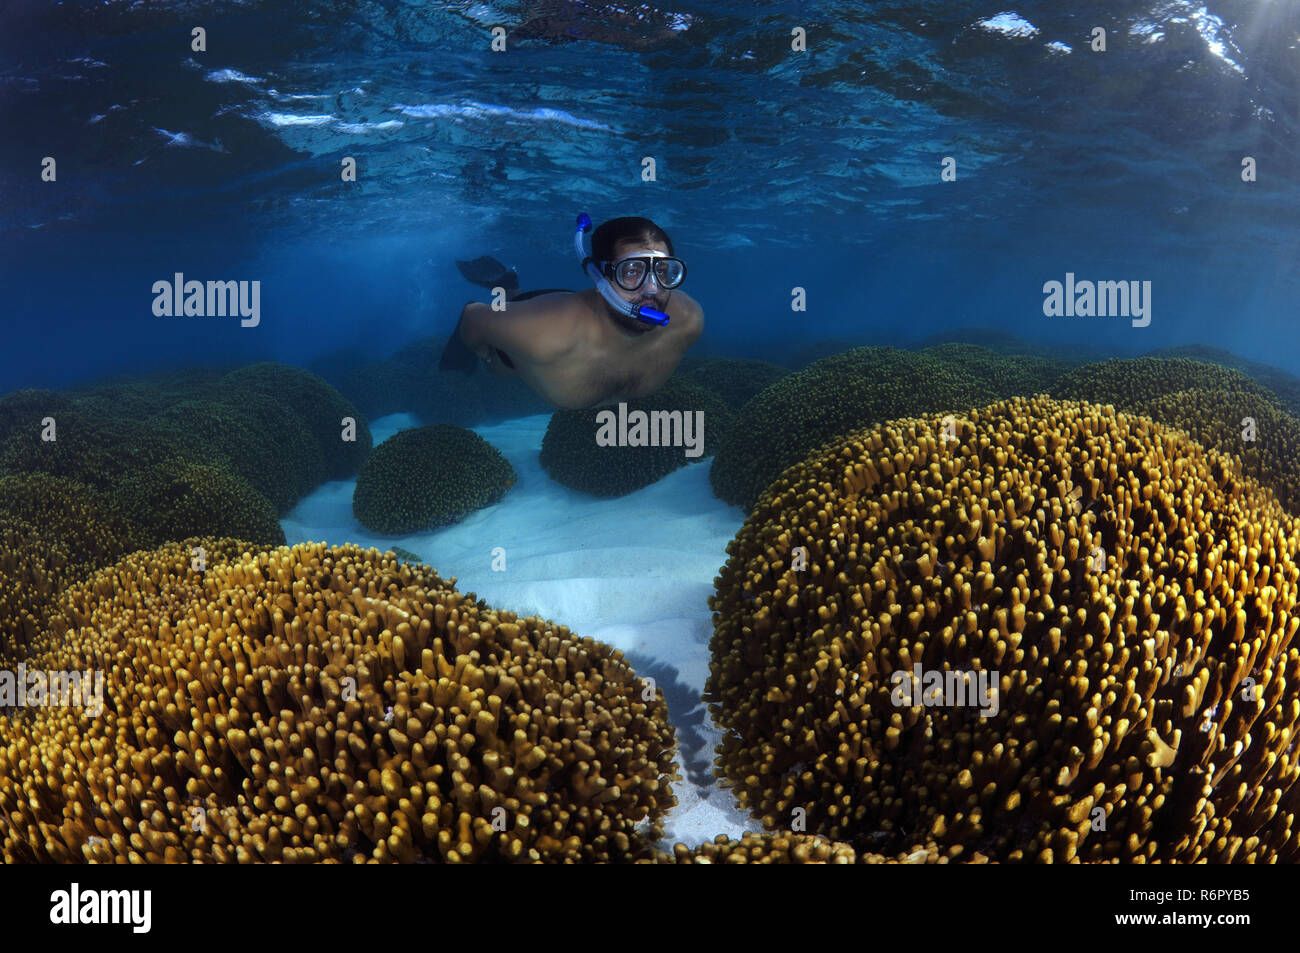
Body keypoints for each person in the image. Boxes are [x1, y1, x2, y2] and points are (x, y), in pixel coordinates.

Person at [438, 215, 703, 410]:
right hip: (543, 320)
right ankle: (507, 289)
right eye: (631, 271)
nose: (652, 290)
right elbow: (474, 318)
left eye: (663, 271)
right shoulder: (544, 338)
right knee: (498, 364)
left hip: (572, 308)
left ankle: (510, 286)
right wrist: (482, 352)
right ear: (599, 279)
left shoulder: (687, 321)